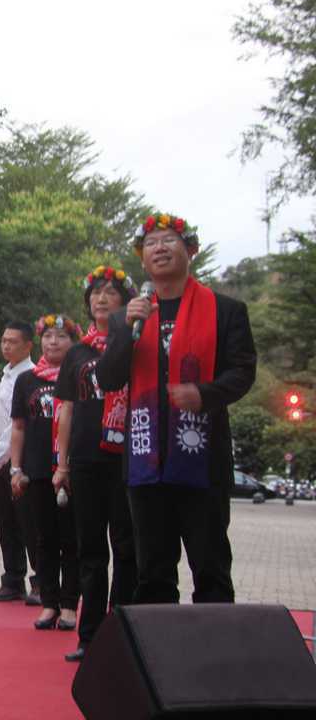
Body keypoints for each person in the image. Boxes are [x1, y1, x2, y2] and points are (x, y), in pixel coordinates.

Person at [97, 213, 256, 605]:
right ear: (142, 258)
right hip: (144, 463)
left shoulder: (226, 310)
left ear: (191, 250)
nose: (160, 248)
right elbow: (109, 378)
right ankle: (159, 662)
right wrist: (126, 337)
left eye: (169, 240)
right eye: (151, 243)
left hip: (203, 463)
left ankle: (213, 661)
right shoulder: (126, 318)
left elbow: (243, 372)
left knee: (212, 568)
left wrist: (204, 394)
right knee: (152, 574)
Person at [54, 267, 139, 663]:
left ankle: (121, 636)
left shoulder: (136, 344)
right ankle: (89, 637)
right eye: (96, 293)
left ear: (125, 303)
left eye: (110, 293)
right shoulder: (77, 353)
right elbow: (66, 409)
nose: (101, 299)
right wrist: (62, 463)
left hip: (126, 458)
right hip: (86, 458)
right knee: (90, 549)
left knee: (126, 547)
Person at [10, 314, 80, 632]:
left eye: (61, 337)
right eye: (48, 336)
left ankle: (69, 605)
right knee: (43, 539)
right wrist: (16, 468)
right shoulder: (27, 380)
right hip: (37, 469)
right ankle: (48, 602)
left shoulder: (79, 374)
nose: (53, 342)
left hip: (70, 469)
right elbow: (19, 427)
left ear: (73, 342)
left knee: (71, 539)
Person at [0, 321, 39, 604]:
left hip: (19, 457)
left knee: (30, 522)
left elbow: (15, 427)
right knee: (6, 521)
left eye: (13, 342)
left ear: (28, 345)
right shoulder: (8, 374)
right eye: (3, 340)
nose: (6, 346)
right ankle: (13, 578)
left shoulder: (31, 376)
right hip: (2, 459)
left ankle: (42, 581)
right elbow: (2, 402)